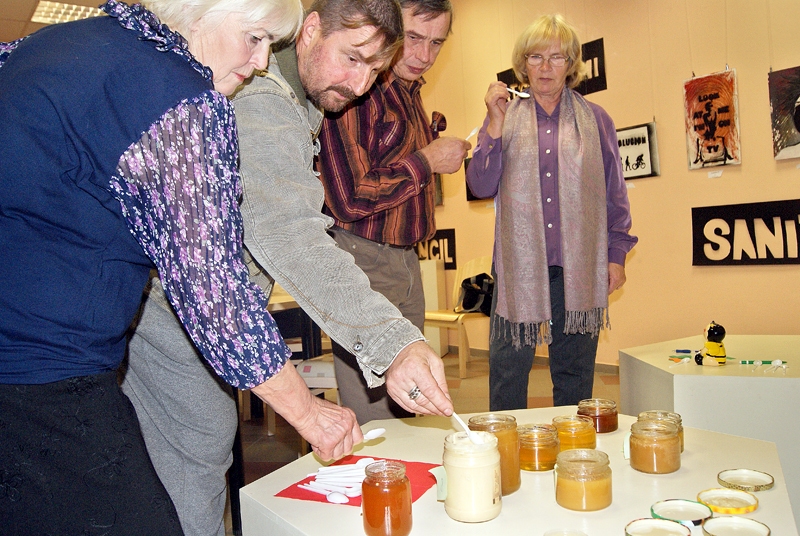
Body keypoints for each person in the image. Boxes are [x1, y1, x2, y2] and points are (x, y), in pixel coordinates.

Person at [0, 0, 362, 533]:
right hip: (47, 375)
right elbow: (212, 292)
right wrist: (309, 413)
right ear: (202, 13)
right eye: (255, 37)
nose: (262, 62)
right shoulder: (180, 95)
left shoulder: (46, 48)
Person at [121, 0, 454, 533]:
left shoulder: (306, 97)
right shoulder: (264, 100)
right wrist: (394, 342)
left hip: (187, 305)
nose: (361, 83)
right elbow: (290, 233)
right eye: (352, 57)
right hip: (170, 307)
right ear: (311, 28)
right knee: (199, 444)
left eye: (374, 69)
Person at [465, 14, 638, 411]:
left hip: (578, 269)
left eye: (557, 57)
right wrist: (492, 126)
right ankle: (507, 464)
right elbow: (479, 184)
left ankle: (574, 461)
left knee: (575, 376)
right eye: (536, 57)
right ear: (522, 64)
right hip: (518, 270)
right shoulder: (503, 117)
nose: (546, 67)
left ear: (572, 63)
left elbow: (615, 196)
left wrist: (616, 257)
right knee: (508, 372)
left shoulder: (596, 120)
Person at [317, 0, 470, 424]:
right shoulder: (356, 89)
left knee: (409, 405)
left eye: (436, 42)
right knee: (376, 416)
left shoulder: (408, 94)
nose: (424, 55)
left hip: (405, 258)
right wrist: (427, 161)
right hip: (361, 256)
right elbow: (348, 197)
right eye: (414, 38)